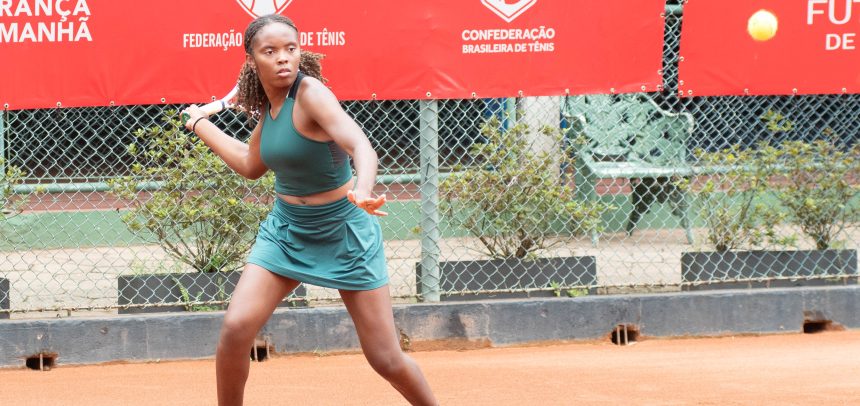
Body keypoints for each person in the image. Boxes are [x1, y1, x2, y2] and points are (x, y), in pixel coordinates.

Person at [180, 14, 438, 406]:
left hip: (344, 230)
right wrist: (201, 124)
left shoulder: (311, 93)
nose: (283, 58)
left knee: (385, 359)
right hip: (286, 231)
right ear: (252, 60)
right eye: (271, 51)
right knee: (235, 328)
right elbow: (252, 165)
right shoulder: (271, 105)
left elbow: (360, 145)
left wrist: (364, 189)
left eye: (291, 49)